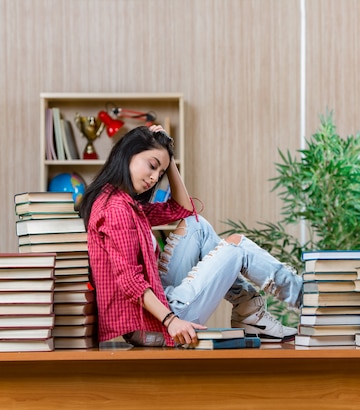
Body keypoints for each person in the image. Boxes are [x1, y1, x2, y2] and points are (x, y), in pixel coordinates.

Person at [79, 125, 302, 347]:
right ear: (129, 153)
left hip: (156, 307)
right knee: (236, 247)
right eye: (152, 166)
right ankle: (303, 298)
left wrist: (167, 157)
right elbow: (130, 281)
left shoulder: (122, 201)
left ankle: (251, 312)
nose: (155, 178)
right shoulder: (116, 209)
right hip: (153, 324)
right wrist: (171, 320)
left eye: (160, 173)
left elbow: (182, 209)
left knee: (197, 225)